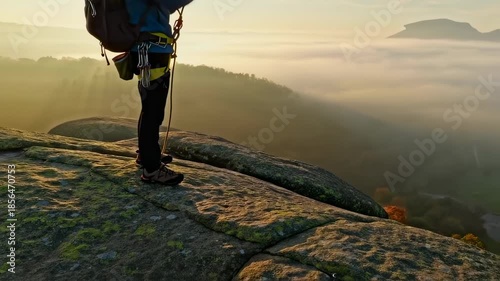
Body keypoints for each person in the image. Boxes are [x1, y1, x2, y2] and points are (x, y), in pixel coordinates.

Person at [125, 0, 192, 185]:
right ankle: (152, 169)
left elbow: (164, 6)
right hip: (152, 50)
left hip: (147, 50)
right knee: (153, 112)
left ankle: (147, 156)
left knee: (149, 109)